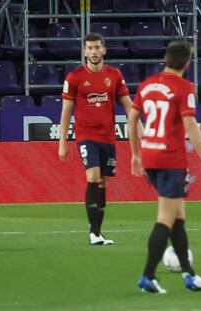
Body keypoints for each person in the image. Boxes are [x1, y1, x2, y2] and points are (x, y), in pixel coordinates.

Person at [128, 41, 201, 294]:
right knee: (165, 219)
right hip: (170, 159)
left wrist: (135, 154)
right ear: (187, 63)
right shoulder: (184, 87)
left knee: (178, 217)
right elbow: (191, 125)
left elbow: (132, 119)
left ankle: (189, 275)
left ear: (165, 60)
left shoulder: (147, 84)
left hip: (150, 156)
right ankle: (147, 276)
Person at [59, 33, 135, 245]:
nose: (93, 52)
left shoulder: (115, 75)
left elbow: (128, 105)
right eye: (89, 48)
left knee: (103, 181)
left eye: (97, 48)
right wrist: (63, 142)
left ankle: (97, 232)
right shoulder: (74, 78)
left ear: (104, 50)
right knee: (92, 176)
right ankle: (93, 233)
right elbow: (66, 111)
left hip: (108, 138)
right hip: (86, 136)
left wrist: (141, 129)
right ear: (84, 51)